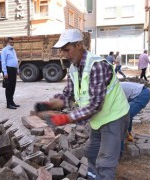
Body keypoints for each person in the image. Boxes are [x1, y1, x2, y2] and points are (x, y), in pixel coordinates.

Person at [34, 29, 130, 180]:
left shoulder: (97, 66)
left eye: (67, 50)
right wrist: (49, 104)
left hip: (114, 118)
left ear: (79, 45)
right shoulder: (74, 68)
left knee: (105, 163)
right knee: (90, 154)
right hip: (98, 121)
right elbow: (68, 95)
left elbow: (95, 105)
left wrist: (65, 119)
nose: (64, 54)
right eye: (62, 50)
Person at [1, 37, 20, 109]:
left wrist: (17, 69)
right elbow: (3, 62)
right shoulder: (4, 50)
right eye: (10, 42)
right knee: (9, 87)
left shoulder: (13, 50)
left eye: (13, 42)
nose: (12, 43)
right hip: (9, 70)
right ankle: (8, 104)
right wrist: (5, 72)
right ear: (7, 42)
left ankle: (12, 102)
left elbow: (16, 59)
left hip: (14, 69)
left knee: (13, 86)